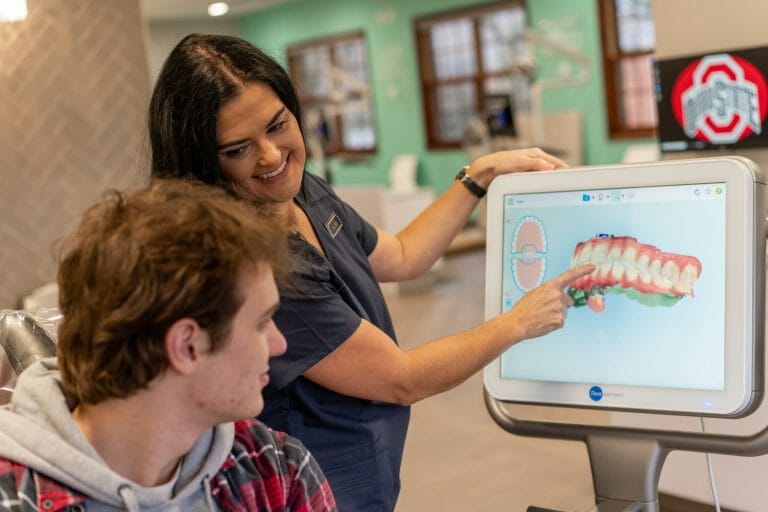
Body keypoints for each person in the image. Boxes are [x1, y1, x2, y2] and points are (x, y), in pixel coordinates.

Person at [148, 33, 595, 512]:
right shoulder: (256, 268)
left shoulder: (304, 193)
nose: (272, 157)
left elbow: (403, 254)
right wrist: (517, 322)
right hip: (317, 481)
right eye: (238, 149)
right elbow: (401, 378)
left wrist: (478, 176)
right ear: (203, 162)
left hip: (368, 463)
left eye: (278, 126)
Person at [0, 179, 337, 511]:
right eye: (262, 323)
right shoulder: (14, 496)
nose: (278, 345)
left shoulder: (278, 472)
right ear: (186, 346)